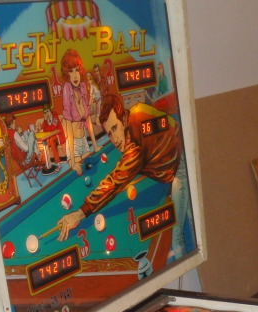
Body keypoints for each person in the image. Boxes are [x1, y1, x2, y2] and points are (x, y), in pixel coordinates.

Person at [54, 92, 190, 259]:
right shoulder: (137, 111)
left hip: (180, 166)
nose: (115, 139)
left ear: (124, 119)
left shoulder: (134, 145)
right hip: (178, 149)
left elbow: (114, 181)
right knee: (190, 216)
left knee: (177, 238)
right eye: (109, 134)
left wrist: (80, 213)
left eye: (115, 128)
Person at [59, 49, 97, 172]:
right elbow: (69, 129)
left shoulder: (83, 87)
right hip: (73, 144)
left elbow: (88, 121)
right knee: (80, 172)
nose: (75, 75)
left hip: (84, 141)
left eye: (77, 70)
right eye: (71, 71)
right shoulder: (67, 89)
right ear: (67, 74)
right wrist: (72, 161)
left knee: (91, 169)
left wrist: (95, 146)